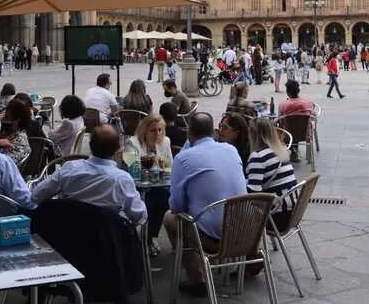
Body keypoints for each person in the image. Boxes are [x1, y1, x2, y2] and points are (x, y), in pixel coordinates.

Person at [165, 112, 247, 298]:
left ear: (189, 133)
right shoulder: (230, 149)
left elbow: (176, 206)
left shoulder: (183, 158)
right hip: (244, 231)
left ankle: (196, 279)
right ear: (213, 131)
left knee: (170, 218)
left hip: (213, 238)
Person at [31, 124, 146, 225]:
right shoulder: (122, 179)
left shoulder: (70, 169)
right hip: (106, 243)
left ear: (90, 146)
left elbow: (36, 195)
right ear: (118, 149)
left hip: (68, 240)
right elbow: (139, 216)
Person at [124, 114, 173, 256]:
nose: (157, 134)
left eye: (160, 130)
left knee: (165, 198)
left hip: (160, 186)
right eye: (153, 130)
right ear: (144, 131)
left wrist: (163, 163)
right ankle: (147, 238)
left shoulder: (165, 142)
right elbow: (130, 166)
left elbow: (171, 167)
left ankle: (150, 236)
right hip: (138, 187)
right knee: (153, 200)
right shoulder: (131, 143)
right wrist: (152, 163)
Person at [246, 117, 298, 233]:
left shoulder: (258, 157)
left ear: (253, 135)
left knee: (232, 213)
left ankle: (245, 247)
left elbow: (253, 193)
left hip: (276, 218)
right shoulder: (281, 150)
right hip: (292, 213)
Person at [0, 98, 31, 164]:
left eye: (6, 117)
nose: (2, 119)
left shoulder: (20, 141)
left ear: (17, 122)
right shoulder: (5, 133)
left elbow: (1, 165)